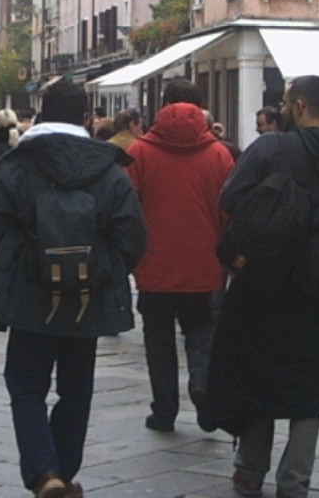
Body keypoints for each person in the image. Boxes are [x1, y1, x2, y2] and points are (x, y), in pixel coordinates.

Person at [0, 81, 146, 498]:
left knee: (26, 385)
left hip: (31, 293)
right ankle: (62, 474)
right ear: (85, 117)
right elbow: (133, 237)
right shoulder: (108, 169)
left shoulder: (16, 166)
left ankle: (44, 473)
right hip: (87, 294)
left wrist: (11, 269)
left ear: (41, 114)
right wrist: (103, 268)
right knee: (76, 389)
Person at [203, 75, 319, 498]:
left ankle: (250, 469)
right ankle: (295, 481)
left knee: (258, 373)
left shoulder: (272, 147)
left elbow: (230, 196)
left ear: (301, 106)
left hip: (265, 279)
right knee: (312, 383)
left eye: (287, 102)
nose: (283, 107)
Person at [124, 78, 233, 433]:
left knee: (158, 340)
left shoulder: (140, 152)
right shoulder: (219, 154)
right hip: (204, 262)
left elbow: (130, 208)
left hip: (154, 264)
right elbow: (230, 210)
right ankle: (202, 384)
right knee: (202, 332)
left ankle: (164, 410)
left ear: (163, 104)